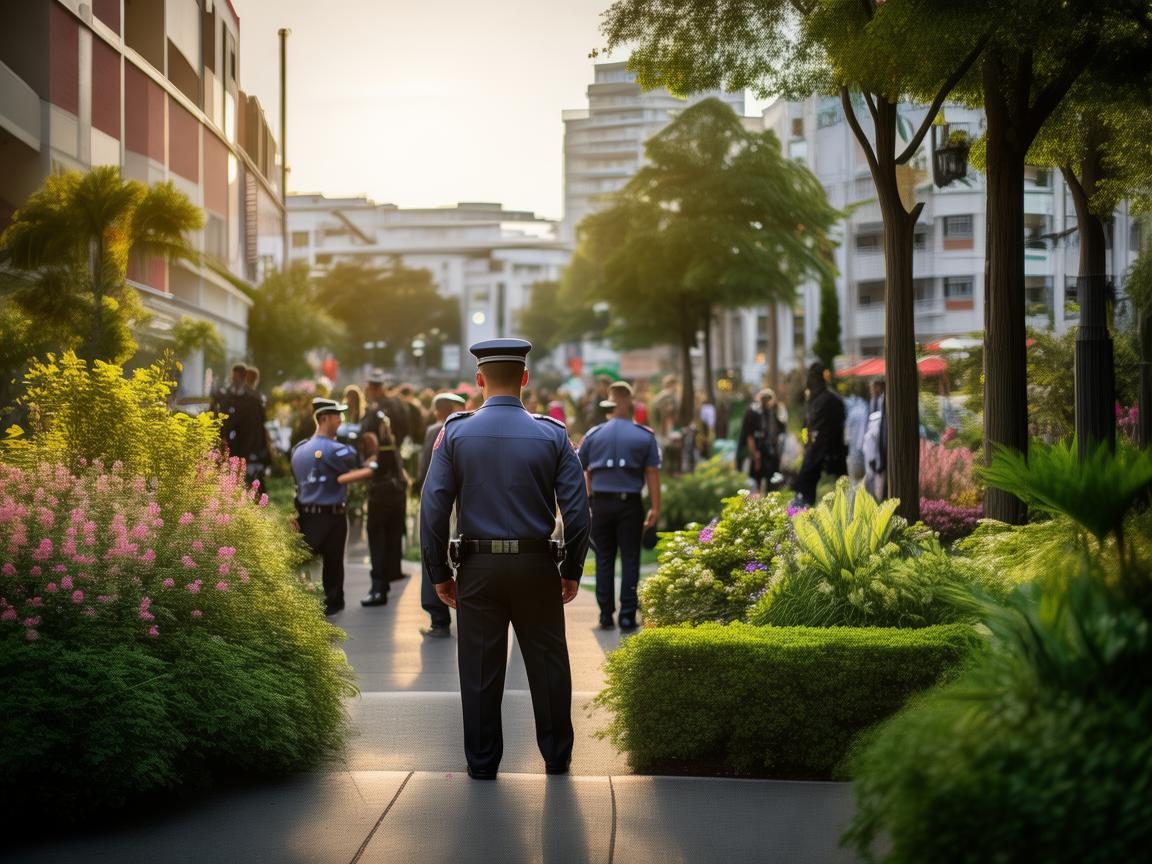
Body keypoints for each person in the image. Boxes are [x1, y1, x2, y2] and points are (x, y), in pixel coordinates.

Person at [420, 338, 590, 780]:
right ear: (525, 380)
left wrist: (439, 573)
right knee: (549, 666)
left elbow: (433, 510)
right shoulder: (552, 434)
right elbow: (577, 513)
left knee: (478, 670)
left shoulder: (454, 432)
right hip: (537, 567)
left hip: (478, 567)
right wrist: (570, 571)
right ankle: (556, 757)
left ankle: (482, 763)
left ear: (479, 381)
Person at [578, 381, 661, 630]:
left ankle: (605, 614)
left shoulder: (593, 435)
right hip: (629, 504)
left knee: (604, 558)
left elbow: (583, 471)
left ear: (610, 402)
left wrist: (588, 501)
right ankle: (626, 614)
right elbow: (651, 473)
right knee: (630, 558)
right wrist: (655, 507)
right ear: (629, 401)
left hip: (601, 504)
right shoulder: (644, 436)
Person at [290, 398, 364, 615]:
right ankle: (332, 603)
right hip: (332, 515)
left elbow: (296, 483)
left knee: (304, 561)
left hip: (307, 515)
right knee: (333, 564)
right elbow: (356, 462)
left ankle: (301, 603)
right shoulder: (339, 449)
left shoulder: (298, 450)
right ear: (324, 418)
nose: (340, 420)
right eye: (337, 416)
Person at [415, 391, 467, 637]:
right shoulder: (460, 427)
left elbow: (425, 470)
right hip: (461, 502)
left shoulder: (436, 430)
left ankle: (439, 618)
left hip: (439, 499)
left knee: (433, 550)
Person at [359, 416, 410, 608]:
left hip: (380, 498)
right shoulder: (390, 442)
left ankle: (378, 588)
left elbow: (372, 469)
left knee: (378, 541)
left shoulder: (376, 448)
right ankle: (389, 578)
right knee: (391, 538)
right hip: (396, 497)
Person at [792, 362, 848, 507]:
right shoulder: (814, 401)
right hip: (816, 454)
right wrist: (805, 445)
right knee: (805, 491)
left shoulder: (830, 400)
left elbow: (828, 432)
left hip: (827, 457)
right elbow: (806, 428)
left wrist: (810, 448)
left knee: (830, 498)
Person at [740, 389, 785, 493]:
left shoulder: (774, 412)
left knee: (772, 483)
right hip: (759, 452)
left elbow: (780, 430)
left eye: (769, 399)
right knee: (757, 484)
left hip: (771, 453)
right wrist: (755, 453)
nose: (767, 402)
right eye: (765, 399)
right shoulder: (753, 412)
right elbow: (750, 436)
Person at [862, 378, 888, 500]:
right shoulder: (874, 401)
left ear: (880, 386)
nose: (872, 390)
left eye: (874, 387)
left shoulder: (882, 400)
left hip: (877, 442)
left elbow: (879, 427)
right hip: (874, 441)